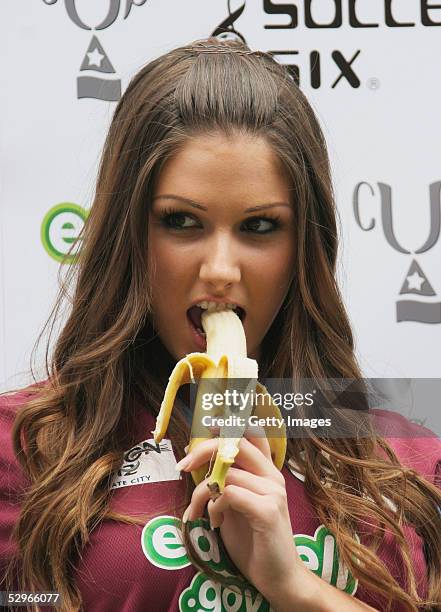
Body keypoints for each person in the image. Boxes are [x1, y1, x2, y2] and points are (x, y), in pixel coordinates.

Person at [1, 37, 440, 612]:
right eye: (181, 221)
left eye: (260, 227)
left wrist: (294, 586)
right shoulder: (25, 447)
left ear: (304, 247)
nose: (221, 270)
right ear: (129, 236)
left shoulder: (401, 460)